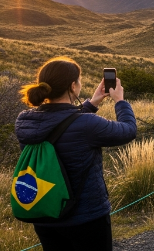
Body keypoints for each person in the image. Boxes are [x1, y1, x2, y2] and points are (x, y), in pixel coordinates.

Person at [15, 57, 137, 251]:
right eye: (79, 81)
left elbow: (63, 123)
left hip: (46, 213)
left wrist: (93, 102)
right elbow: (128, 130)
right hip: (86, 217)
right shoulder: (86, 124)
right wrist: (120, 101)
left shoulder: (25, 120)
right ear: (73, 86)